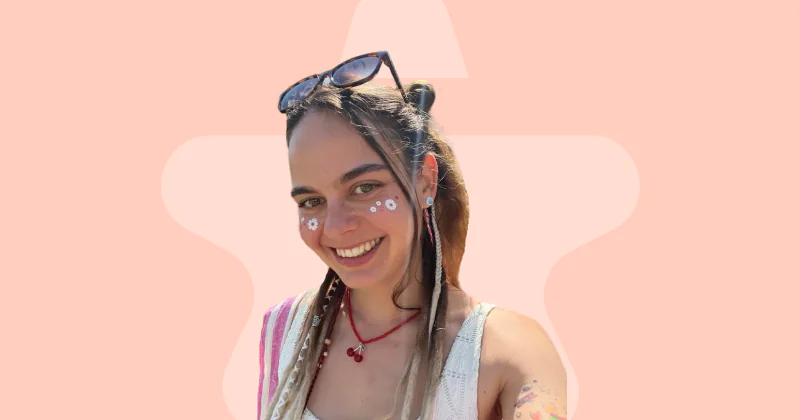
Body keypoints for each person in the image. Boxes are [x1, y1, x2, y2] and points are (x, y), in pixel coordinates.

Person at [258, 51, 566, 420]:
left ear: (425, 182)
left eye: (364, 187)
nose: (336, 227)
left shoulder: (508, 350)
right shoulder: (282, 329)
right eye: (311, 201)